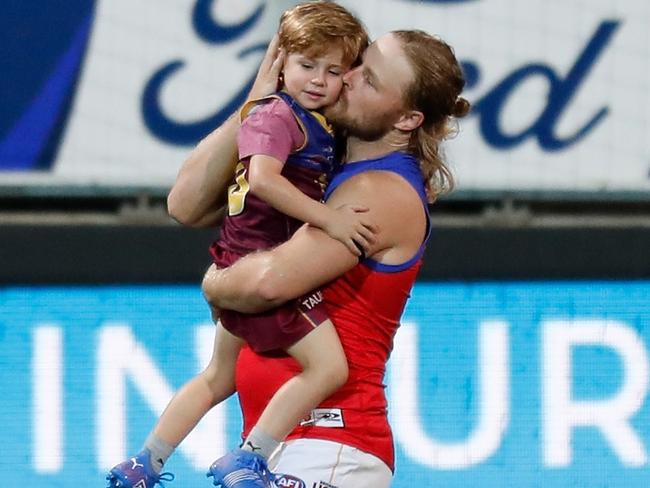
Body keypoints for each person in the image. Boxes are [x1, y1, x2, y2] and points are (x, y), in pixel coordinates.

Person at [105, 3, 370, 488]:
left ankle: (145, 462)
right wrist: (328, 220)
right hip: (259, 265)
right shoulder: (274, 116)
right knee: (329, 367)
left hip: (238, 259)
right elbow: (265, 181)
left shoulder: (315, 121)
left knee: (218, 376)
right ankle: (249, 457)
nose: (317, 80)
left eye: (332, 71)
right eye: (307, 65)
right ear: (279, 62)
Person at [194, 29, 471, 488]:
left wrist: (214, 282)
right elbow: (185, 204)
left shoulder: (379, 191)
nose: (349, 77)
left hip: (331, 443)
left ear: (406, 119)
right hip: (285, 442)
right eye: (359, 63)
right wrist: (255, 108)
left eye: (372, 81)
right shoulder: (319, 164)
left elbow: (268, 285)